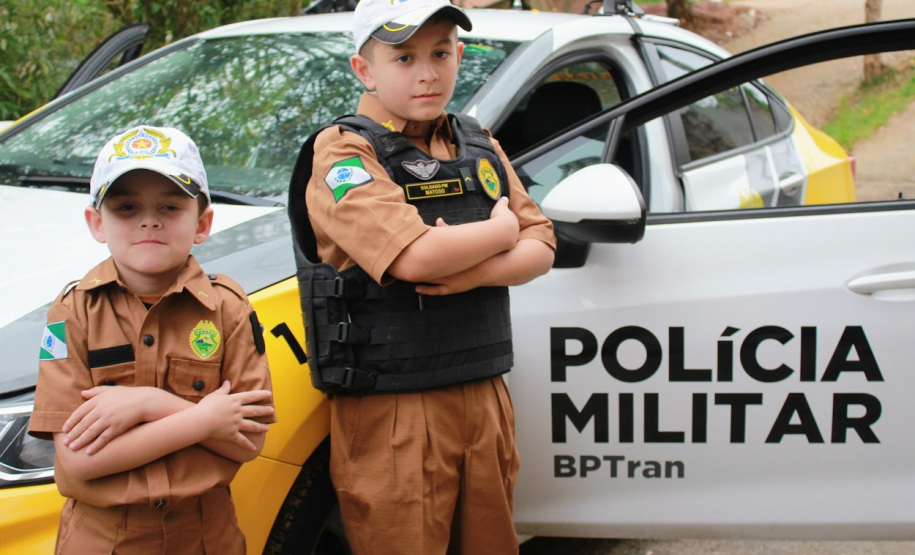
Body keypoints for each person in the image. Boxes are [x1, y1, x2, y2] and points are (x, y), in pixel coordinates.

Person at [291, 0, 556, 552]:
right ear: (364, 70)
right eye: (404, 57)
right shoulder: (343, 150)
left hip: (482, 392)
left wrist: (473, 273)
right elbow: (413, 257)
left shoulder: (475, 141)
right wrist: (500, 233)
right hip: (395, 406)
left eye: (440, 53)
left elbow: (544, 245)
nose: (427, 72)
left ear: (460, 56)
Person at [28, 125, 276, 555]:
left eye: (170, 205)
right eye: (126, 207)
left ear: (202, 223)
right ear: (96, 223)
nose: (149, 220)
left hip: (205, 537)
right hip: (104, 540)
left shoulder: (228, 309)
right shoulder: (73, 312)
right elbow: (78, 461)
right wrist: (202, 420)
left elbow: (247, 442)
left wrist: (148, 403)